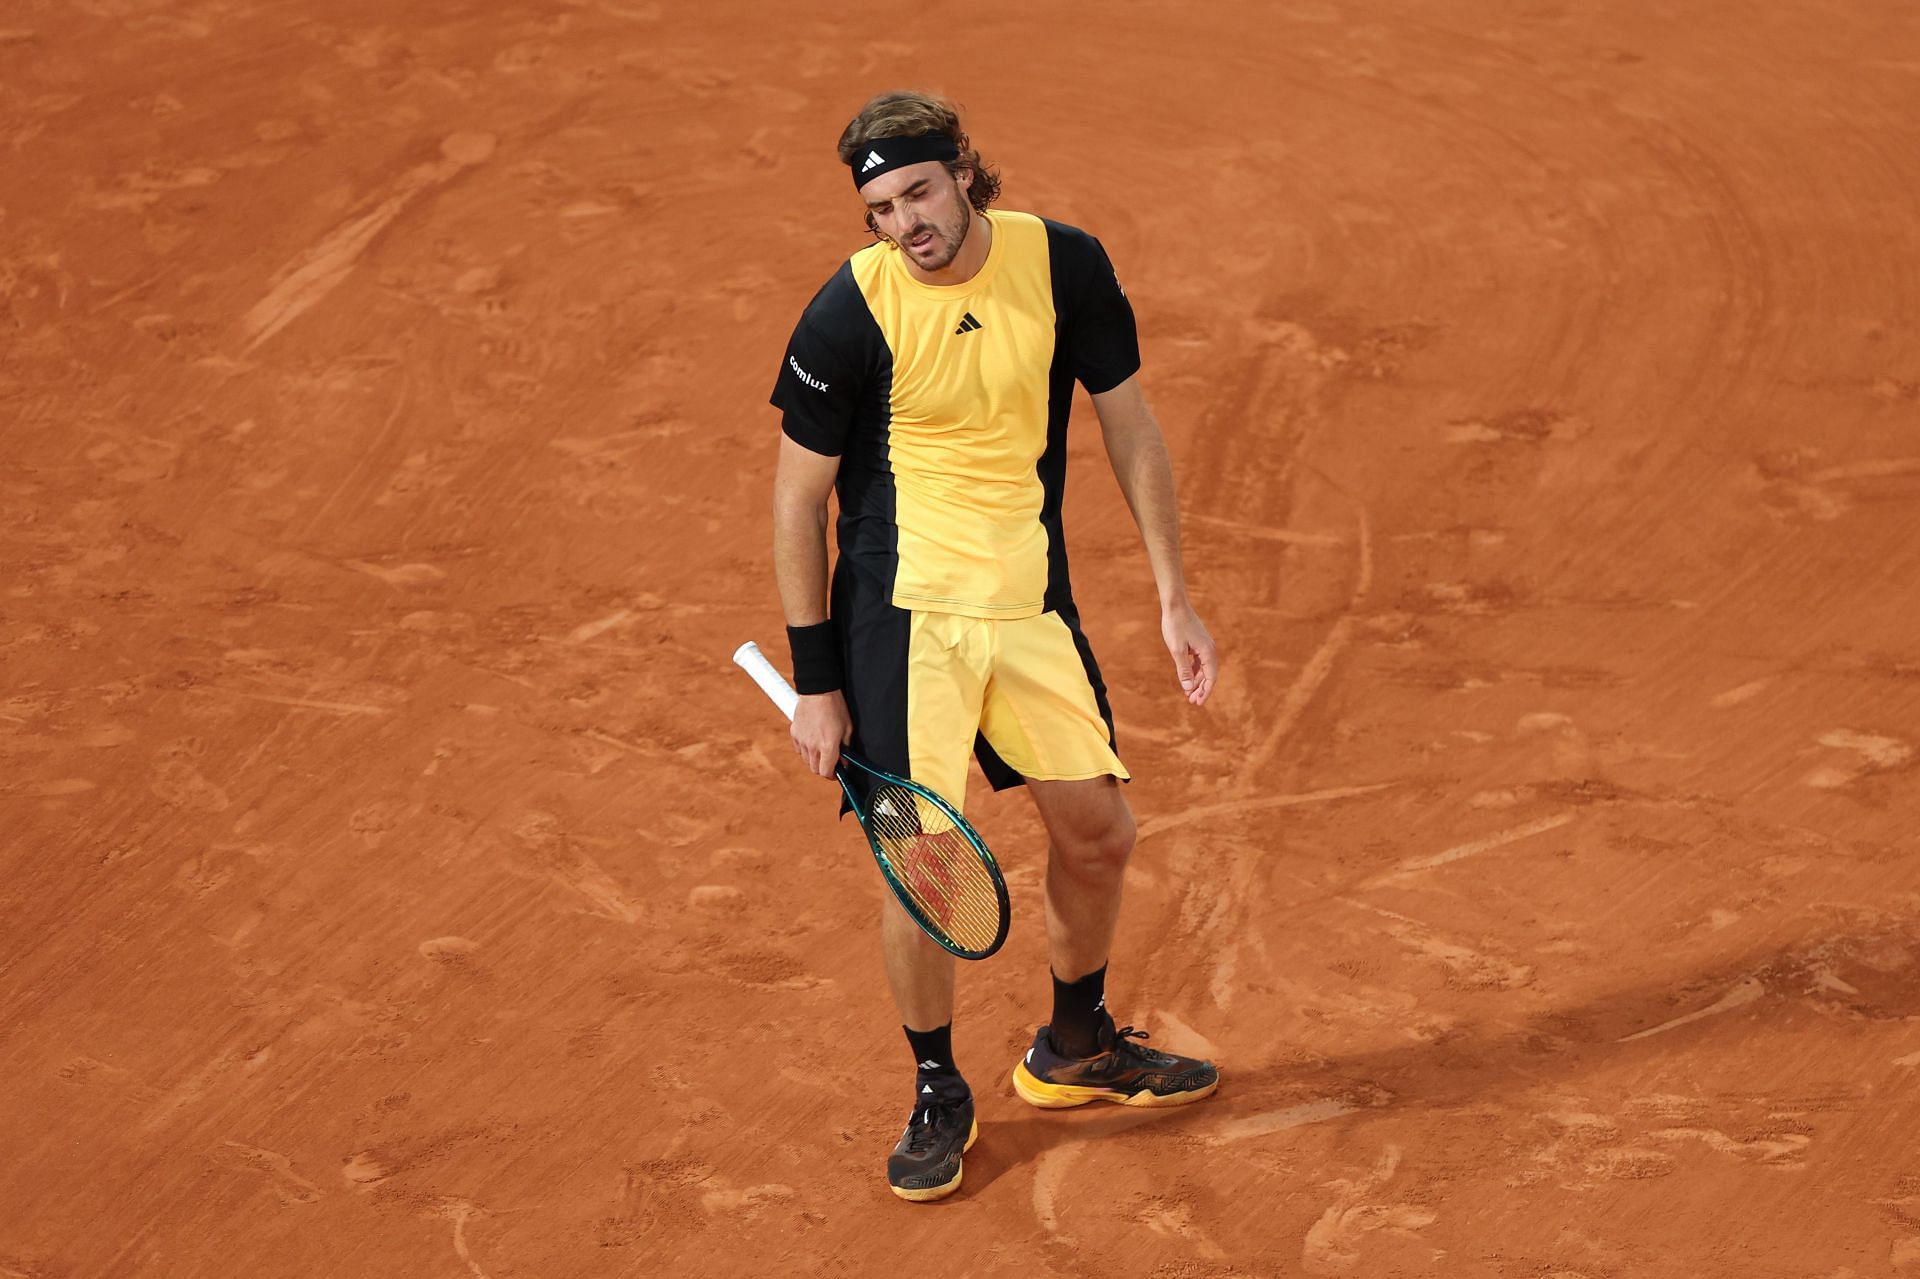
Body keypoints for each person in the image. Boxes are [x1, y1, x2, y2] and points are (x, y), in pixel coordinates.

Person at [767, 90, 1222, 1203]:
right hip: (903, 614)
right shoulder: (851, 311)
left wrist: (1174, 595)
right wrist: (818, 684)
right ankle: (937, 1087)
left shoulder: (1063, 266)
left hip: (1027, 603)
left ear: (965, 172)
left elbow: (1129, 425)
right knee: (923, 865)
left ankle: (1075, 1046)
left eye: (919, 192)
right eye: (880, 207)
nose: (905, 223)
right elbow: (795, 505)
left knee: (1099, 831)